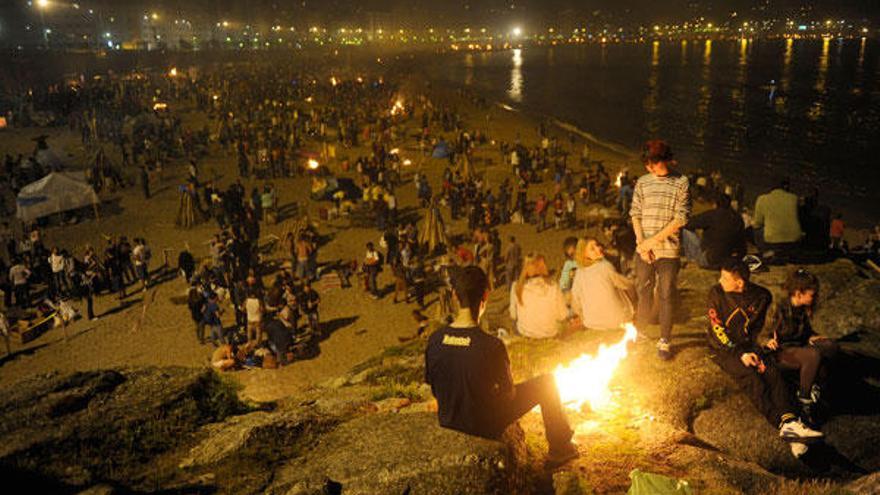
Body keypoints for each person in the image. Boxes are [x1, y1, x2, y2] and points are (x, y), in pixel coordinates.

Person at [425, 266, 578, 467]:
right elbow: (509, 394)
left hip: (448, 419)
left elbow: (434, 387)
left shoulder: (435, 340)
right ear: (486, 296)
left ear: (454, 295)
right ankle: (561, 448)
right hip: (483, 424)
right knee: (546, 382)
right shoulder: (491, 345)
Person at [707, 259, 823, 458]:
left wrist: (759, 347)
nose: (720, 280)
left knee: (772, 373)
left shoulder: (761, 296)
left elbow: (761, 329)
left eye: (725, 277)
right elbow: (717, 329)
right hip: (724, 350)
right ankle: (786, 426)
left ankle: (792, 425)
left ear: (740, 282)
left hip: (751, 347)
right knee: (753, 380)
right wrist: (739, 353)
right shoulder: (716, 293)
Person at [630, 140, 690, 360]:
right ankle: (640, 331)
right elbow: (635, 213)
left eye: (651, 164)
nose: (648, 168)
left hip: (668, 251)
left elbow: (681, 218)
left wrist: (650, 242)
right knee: (643, 291)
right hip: (644, 250)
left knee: (666, 295)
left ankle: (665, 339)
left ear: (662, 161)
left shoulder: (681, 182)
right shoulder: (643, 182)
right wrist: (641, 243)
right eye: (646, 164)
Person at [765, 268, 839, 425]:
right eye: (812, 294)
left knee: (830, 346)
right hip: (781, 352)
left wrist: (812, 337)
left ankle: (816, 387)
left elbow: (805, 333)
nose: (815, 298)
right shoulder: (778, 307)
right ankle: (804, 400)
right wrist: (767, 340)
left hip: (800, 347)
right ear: (799, 293)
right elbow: (761, 333)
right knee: (813, 355)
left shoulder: (802, 309)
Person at [570, 239, 634, 330]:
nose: (598, 248)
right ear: (584, 255)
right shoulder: (605, 266)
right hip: (615, 320)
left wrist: (581, 315)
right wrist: (634, 280)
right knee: (622, 288)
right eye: (592, 249)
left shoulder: (579, 273)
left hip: (590, 322)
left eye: (597, 245)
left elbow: (575, 301)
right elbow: (626, 284)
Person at [508, 254, 568, 339]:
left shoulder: (516, 287)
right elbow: (562, 315)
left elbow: (513, 315)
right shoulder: (553, 287)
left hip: (525, 334)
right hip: (550, 335)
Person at [681, 193, 746, 269]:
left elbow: (688, 223)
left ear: (715, 204)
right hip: (731, 261)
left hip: (711, 259)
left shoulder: (712, 215)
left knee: (687, 230)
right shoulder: (737, 218)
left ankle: (693, 261)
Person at [753, 178, 802, 257]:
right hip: (794, 241)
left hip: (772, 242)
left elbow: (757, 223)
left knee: (757, 230)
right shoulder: (794, 198)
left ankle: (765, 251)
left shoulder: (762, 199)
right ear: (785, 186)